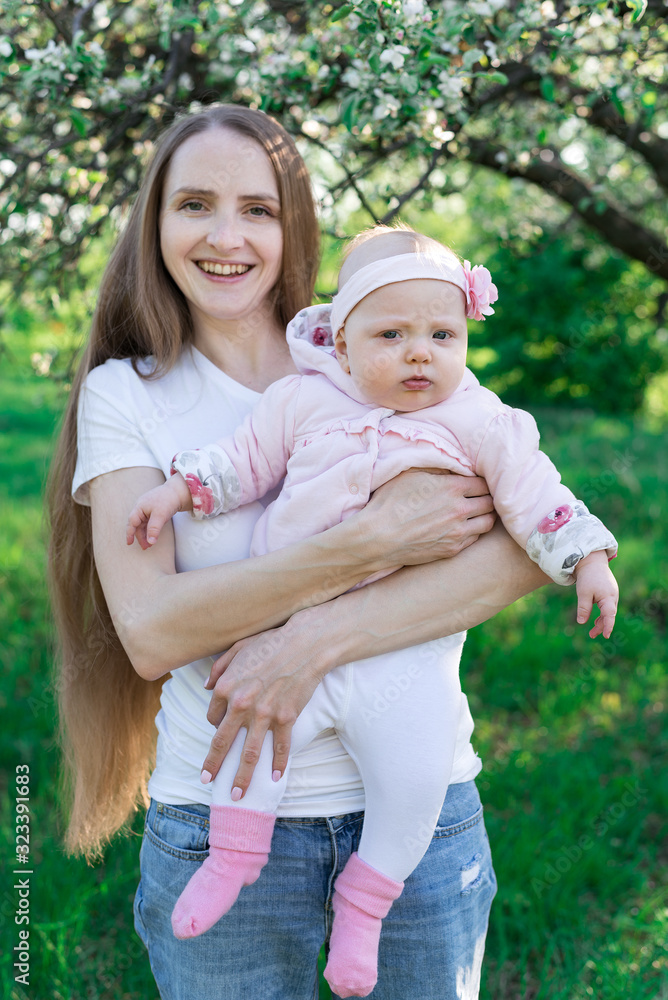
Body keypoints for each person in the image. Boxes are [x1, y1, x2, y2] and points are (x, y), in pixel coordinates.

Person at [48, 104, 570, 1000]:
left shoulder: (388, 355)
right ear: (154, 223)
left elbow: (519, 550)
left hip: (420, 819)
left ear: (296, 225)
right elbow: (154, 633)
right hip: (222, 817)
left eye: (258, 208)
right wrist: (371, 541)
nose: (226, 236)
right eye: (195, 205)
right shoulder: (126, 397)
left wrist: (307, 646)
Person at [126, 225, 618, 997]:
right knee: (252, 741)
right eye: (392, 334)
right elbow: (241, 463)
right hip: (289, 634)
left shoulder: (478, 418)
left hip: (402, 652)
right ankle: (232, 859)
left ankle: (367, 901)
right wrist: (179, 491)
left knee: (415, 778)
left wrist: (586, 555)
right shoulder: (302, 399)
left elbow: (537, 494)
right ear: (342, 342)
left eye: (441, 334)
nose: (420, 353)